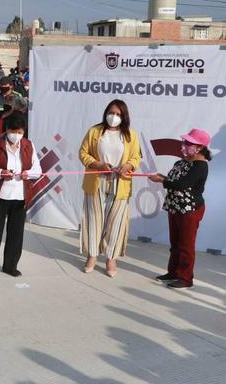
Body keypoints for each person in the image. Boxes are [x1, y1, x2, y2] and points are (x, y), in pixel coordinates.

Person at [79, 99, 141, 277]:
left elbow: (136, 157)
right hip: (96, 180)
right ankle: (92, 255)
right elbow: (83, 153)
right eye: (111, 113)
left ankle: (111, 257)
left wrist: (128, 166)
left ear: (124, 117)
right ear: (106, 113)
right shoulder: (95, 131)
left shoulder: (130, 134)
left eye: (118, 114)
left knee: (116, 221)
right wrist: (96, 163)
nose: (114, 117)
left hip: (120, 182)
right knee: (94, 218)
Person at [0, 112, 42, 277]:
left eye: (20, 132)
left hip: (20, 197)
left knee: (16, 234)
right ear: (7, 130)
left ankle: (10, 265)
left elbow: (38, 170)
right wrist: (1, 172)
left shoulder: (29, 146)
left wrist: (28, 173)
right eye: (14, 131)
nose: (17, 135)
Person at [149, 129, 211, 289]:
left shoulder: (200, 166)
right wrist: (162, 177)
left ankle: (185, 278)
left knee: (186, 245)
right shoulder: (182, 162)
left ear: (199, 147)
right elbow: (173, 180)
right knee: (175, 243)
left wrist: (161, 181)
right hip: (175, 206)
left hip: (190, 209)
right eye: (185, 142)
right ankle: (173, 272)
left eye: (188, 143)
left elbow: (183, 184)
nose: (184, 146)